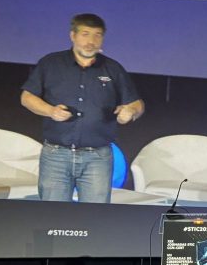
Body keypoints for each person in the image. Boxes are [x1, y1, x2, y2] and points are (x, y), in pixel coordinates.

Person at [20, 13, 144, 203]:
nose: (91, 41)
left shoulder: (113, 68)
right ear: (73, 35)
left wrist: (131, 112)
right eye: (85, 34)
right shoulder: (51, 63)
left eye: (97, 35)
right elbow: (27, 97)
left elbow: (137, 103)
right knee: (52, 215)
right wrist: (51, 111)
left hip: (97, 158)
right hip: (56, 156)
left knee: (94, 216)